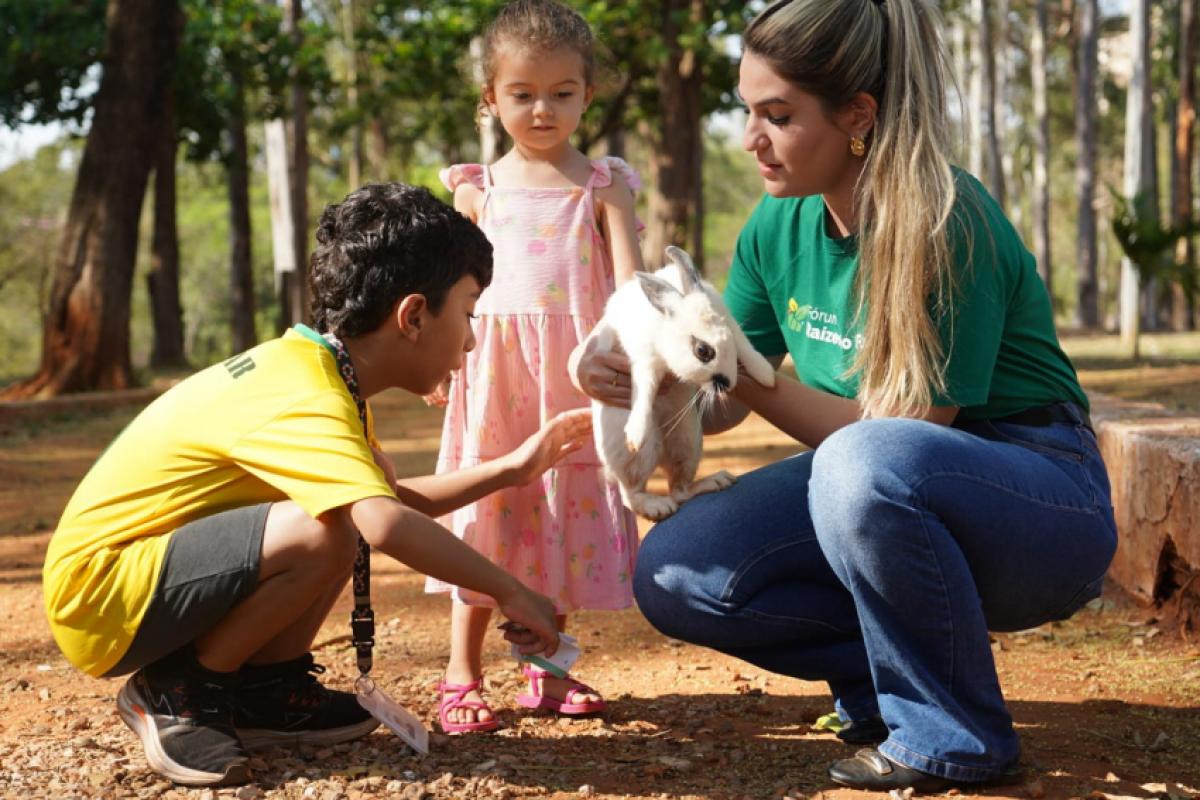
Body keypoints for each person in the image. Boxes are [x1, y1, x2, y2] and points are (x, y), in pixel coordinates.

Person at [572, 0, 1117, 791]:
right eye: (746, 111)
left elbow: (907, 432)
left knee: (865, 462)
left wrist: (743, 374)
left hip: (1036, 499)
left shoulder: (945, 221)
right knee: (677, 570)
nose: (751, 138)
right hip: (871, 485)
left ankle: (954, 735)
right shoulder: (776, 224)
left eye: (778, 115)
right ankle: (885, 682)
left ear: (857, 115)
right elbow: (718, 405)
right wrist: (647, 375)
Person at [42, 182, 588, 788]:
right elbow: (381, 522)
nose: (470, 338)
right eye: (466, 311)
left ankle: (264, 691)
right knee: (330, 526)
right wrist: (511, 590)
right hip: (102, 594)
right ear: (412, 316)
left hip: (138, 580)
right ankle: (180, 690)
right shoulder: (306, 394)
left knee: (340, 514)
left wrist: (515, 467)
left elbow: (393, 504)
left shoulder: (325, 375)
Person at [423, 0, 644, 734]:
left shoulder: (603, 184)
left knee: (560, 510)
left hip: (574, 376)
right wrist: (435, 367)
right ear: (491, 99)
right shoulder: (476, 190)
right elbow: (453, 291)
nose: (541, 109)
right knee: (488, 512)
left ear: (588, 94)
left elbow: (634, 285)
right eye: (521, 94)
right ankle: (461, 672)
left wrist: (636, 362)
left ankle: (546, 671)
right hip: (492, 374)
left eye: (561, 93)